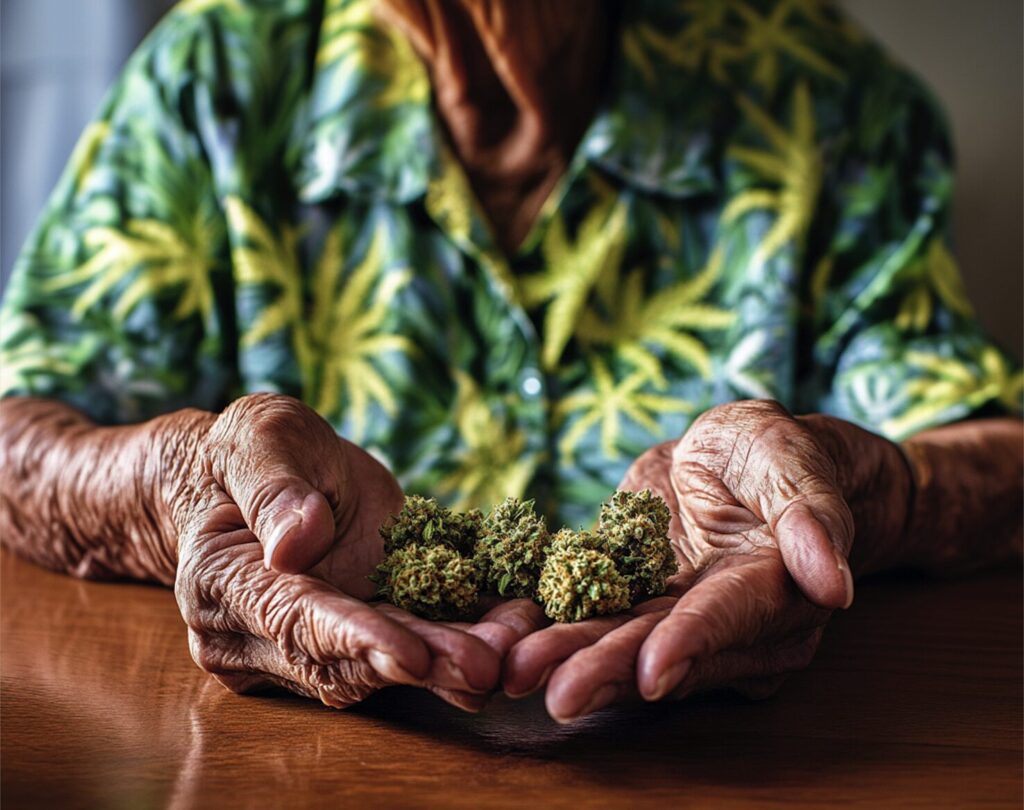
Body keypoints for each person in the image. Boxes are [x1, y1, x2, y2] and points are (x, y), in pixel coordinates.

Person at [1, 0, 1020, 722]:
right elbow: (17, 433)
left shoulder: (817, 96)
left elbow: (992, 449)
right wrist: (176, 489)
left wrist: (852, 493)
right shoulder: (215, 74)